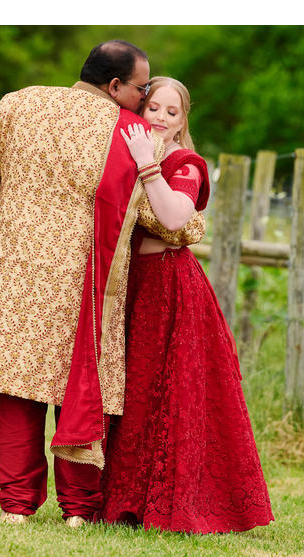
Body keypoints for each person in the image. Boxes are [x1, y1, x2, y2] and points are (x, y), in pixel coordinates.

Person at [0, 43, 205, 527]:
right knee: (80, 386)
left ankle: (16, 506)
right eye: (141, 89)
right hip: (87, 277)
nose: (144, 100)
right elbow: (165, 220)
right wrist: (192, 228)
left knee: (17, 387)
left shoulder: (17, 102)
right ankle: (78, 509)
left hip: (12, 271)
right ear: (115, 87)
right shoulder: (127, 132)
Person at [98, 77, 274, 533]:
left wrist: (146, 166)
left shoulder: (185, 164)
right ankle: (120, 501)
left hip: (169, 286)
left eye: (170, 112)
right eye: (152, 107)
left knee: (167, 389)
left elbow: (176, 216)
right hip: (127, 287)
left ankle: (173, 503)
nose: (158, 117)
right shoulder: (120, 153)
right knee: (128, 390)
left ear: (182, 122)